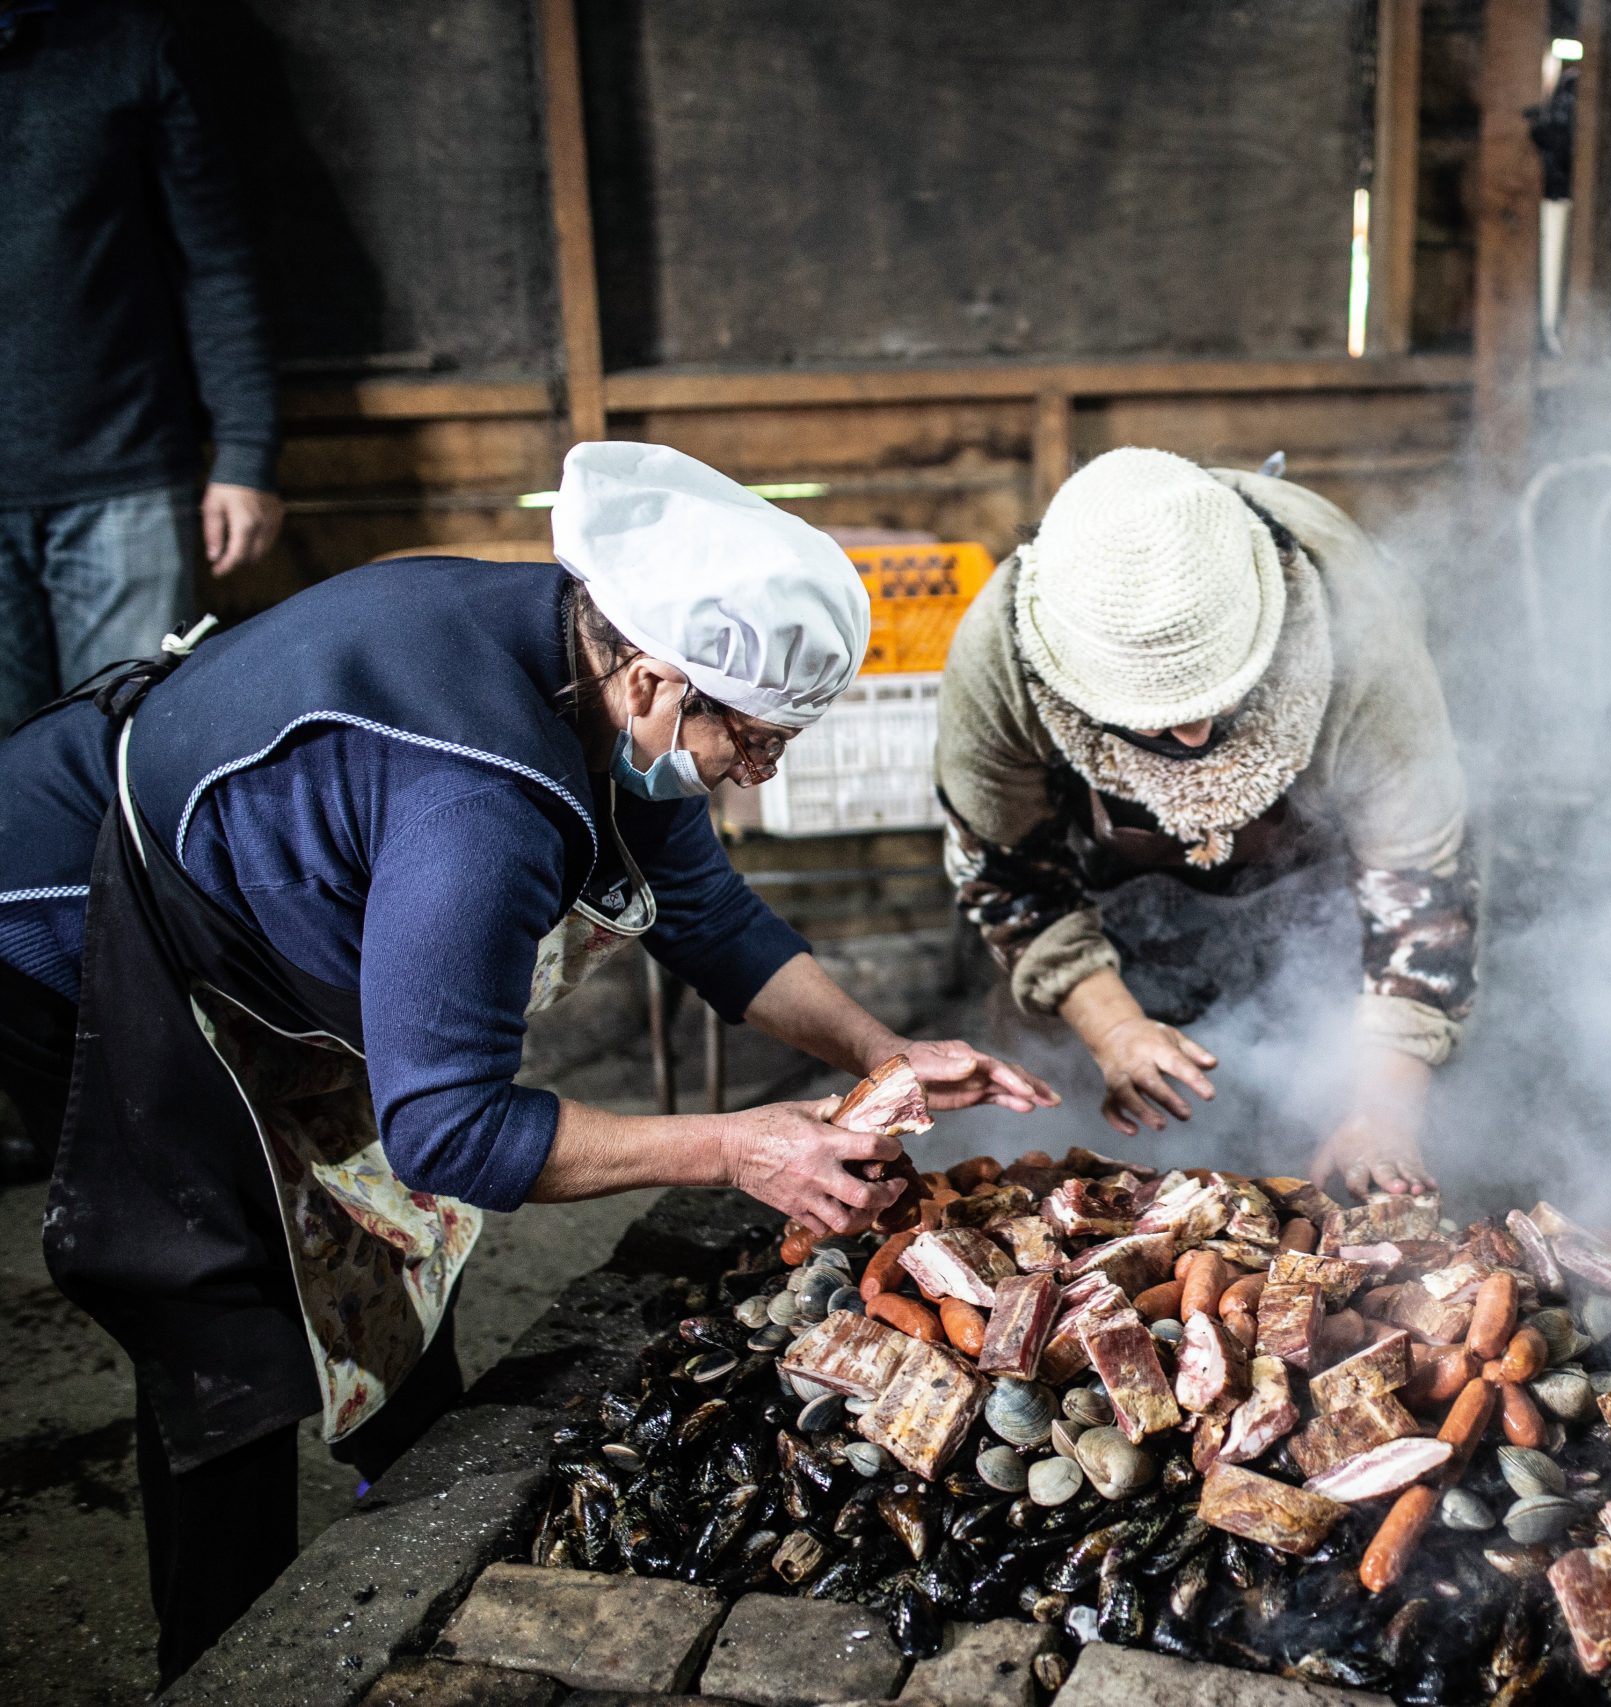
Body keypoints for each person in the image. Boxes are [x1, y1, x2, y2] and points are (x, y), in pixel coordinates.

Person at [0, 441, 1055, 1683]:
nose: (761, 773)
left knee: (376, 1237)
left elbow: (705, 913)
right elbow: (449, 1130)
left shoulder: (601, 662)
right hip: (71, 914)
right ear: (659, 682)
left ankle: (418, 1485)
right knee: (223, 1309)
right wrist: (735, 1145)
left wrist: (884, 1050)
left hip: (253, 897)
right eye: (755, 741)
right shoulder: (480, 807)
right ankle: (227, 1659)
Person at [935, 448, 1476, 1198]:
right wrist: (1114, 1027)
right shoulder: (1000, 656)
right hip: (1106, 905)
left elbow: (1420, 883)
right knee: (1076, 1162)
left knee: (1341, 1126)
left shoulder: (1359, 622)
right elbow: (1007, 873)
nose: (1192, 736)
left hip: (1319, 899)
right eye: (1157, 717)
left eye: (1217, 694)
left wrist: (1384, 1110)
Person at [0, 0, 283, 740]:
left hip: (125, 477)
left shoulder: (128, 41)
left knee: (135, 749)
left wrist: (247, 453)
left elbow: (213, 258)